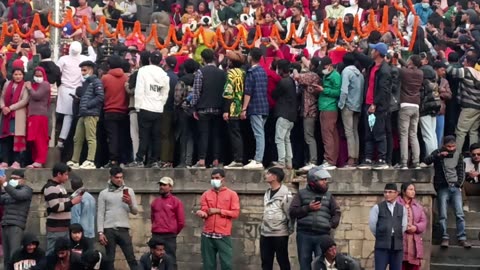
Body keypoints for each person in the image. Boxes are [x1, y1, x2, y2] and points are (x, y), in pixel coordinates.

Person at [424, 136, 471, 248]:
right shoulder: (438, 152)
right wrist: (438, 156)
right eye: (449, 146)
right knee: (443, 215)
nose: (451, 149)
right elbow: (426, 160)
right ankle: (444, 237)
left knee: (460, 214)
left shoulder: (458, 155)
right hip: (442, 187)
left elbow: (461, 171)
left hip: (455, 187)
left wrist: (458, 184)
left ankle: (462, 238)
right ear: (444, 145)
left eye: (453, 146)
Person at [289, 167, 341, 270]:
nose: (325, 182)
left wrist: (330, 225)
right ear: (313, 181)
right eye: (322, 180)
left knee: (321, 266)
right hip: (304, 235)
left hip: (322, 236)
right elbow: (292, 212)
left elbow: (337, 212)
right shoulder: (301, 194)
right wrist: (308, 208)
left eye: (325, 179)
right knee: (304, 265)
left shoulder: (329, 196)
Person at [128, 51, 170, 168]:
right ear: (161, 61)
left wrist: (137, 106)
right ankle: (154, 160)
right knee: (156, 136)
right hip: (158, 108)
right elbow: (164, 93)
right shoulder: (163, 74)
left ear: (150, 60)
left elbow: (139, 89)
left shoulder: (143, 71)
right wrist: (160, 104)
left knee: (144, 136)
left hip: (145, 107)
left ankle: (140, 159)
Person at [195, 168, 240, 270]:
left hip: (223, 234)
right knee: (208, 265)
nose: (214, 180)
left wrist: (218, 211)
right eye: (212, 178)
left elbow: (235, 213)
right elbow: (205, 210)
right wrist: (202, 213)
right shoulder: (206, 194)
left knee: (226, 264)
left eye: (217, 178)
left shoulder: (232, 194)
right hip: (207, 234)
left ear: (223, 179)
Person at [356, 43, 392, 170]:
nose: (372, 51)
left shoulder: (385, 70)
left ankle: (382, 159)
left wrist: (375, 104)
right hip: (368, 104)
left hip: (378, 107)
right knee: (368, 133)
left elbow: (384, 90)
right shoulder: (372, 66)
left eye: (374, 49)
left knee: (379, 132)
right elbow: (363, 59)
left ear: (378, 53)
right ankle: (368, 158)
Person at [55, 40, 97, 149]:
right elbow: (94, 56)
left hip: (64, 89)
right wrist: (89, 44)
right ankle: (61, 140)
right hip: (76, 90)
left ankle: (57, 139)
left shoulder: (63, 59)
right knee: (68, 116)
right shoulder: (84, 59)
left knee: (60, 115)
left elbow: (56, 71)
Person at [190, 49, 226, 168]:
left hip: (203, 108)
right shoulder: (222, 73)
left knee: (203, 135)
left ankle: (202, 160)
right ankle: (216, 159)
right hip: (218, 107)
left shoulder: (200, 72)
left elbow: (196, 92)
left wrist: (194, 107)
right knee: (216, 135)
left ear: (203, 59)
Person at [97, 166, 139, 269]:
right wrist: (100, 232)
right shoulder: (103, 193)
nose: (119, 179)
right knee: (109, 260)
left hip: (123, 229)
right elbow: (100, 213)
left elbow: (135, 211)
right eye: (117, 177)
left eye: (121, 177)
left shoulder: (129, 191)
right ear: (111, 177)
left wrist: (129, 203)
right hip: (109, 229)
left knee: (131, 258)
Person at [67, 60, 104, 169]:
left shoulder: (96, 82)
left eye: (85, 70)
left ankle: (90, 160)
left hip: (91, 114)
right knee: (77, 138)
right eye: (82, 70)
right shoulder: (86, 83)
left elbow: (100, 97)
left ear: (91, 70)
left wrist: (87, 104)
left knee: (90, 137)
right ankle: (75, 160)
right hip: (83, 113)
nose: (83, 73)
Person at [42, 163, 82, 255]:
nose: (67, 177)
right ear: (59, 174)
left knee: (65, 253)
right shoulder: (51, 187)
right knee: (52, 253)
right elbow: (55, 207)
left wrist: (72, 199)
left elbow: (63, 203)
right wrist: (72, 202)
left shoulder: (61, 187)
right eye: (66, 174)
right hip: (55, 228)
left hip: (64, 227)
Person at [260, 167, 293, 270]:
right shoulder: (267, 192)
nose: (266, 175)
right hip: (265, 232)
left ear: (274, 177)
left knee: (282, 260)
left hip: (279, 233)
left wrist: (287, 229)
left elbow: (289, 214)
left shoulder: (286, 195)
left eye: (268, 174)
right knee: (266, 261)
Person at [241, 48, 269, 170]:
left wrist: (244, 109)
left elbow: (248, 92)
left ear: (250, 57)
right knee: (260, 133)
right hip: (264, 105)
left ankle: (258, 160)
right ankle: (258, 157)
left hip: (255, 106)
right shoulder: (263, 71)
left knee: (259, 134)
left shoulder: (251, 72)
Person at [369, 183, 407, 270]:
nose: (387, 194)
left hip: (397, 245)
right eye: (385, 192)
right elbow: (372, 226)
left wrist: (395, 235)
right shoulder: (377, 208)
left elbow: (404, 226)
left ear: (396, 193)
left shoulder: (402, 209)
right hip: (382, 245)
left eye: (390, 192)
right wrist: (382, 235)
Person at [0, 170, 33, 269]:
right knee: (6, 257)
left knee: (14, 255)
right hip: (5, 224)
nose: (12, 180)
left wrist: (5, 184)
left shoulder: (27, 190)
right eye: (11, 178)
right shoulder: (8, 190)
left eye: (15, 178)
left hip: (16, 226)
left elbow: (18, 195)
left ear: (22, 180)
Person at [151, 177, 185, 269]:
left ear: (171, 187)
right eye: (160, 184)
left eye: (164, 185)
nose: (161, 187)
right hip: (156, 234)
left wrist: (173, 231)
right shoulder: (155, 202)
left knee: (170, 260)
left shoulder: (176, 202)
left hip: (169, 236)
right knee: (155, 259)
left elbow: (181, 222)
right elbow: (153, 218)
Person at [292, 57, 320, 171]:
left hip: (309, 110)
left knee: (309, 137)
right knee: (308, 137)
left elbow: (297, 77)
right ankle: (310, 160)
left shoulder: (312, 75)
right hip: (310, 110)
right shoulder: (315, 75)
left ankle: (313, 160)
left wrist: (294, 69)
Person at [102, 55, 129, 168]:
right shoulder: (126, 78)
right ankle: (123, 160)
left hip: (109, 110)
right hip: (123, 110)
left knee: (112, 137)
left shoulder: (105, 78)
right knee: (122, 136)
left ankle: (113, 160)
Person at [338, 53, 364, 168]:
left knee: (348, 132)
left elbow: (344, 90)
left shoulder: (346, 72)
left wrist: (340, 104)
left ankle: (351, 159)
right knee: (355, 132)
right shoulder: (360, 74)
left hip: (348, 105)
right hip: (358, 105)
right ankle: (356, 157)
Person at [397, 55, 423, 169]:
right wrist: (401, 59)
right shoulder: (420, 73)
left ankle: (404, 162)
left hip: (405, 104)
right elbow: (406, 67)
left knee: (404, 135)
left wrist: (397, 58)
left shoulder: (404, 72)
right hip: (416, 105)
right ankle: (416, 161)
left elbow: (402, 69)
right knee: (413, 134)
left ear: (411, 62)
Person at [314, 56, 341, 170]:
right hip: (325, 107)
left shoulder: (335, 76)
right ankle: (331, 159)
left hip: (329, 107)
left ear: (330, 65)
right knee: (332, 135)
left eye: (324, 67)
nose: (323, 69)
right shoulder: (326, 75)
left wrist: (323, 90)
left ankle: (329, 160)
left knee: (327, 135)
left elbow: (338, 92)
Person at [0, 68, 29, 169]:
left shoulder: (25, 86)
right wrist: (3, 107)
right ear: (12, 75)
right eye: (16, 74)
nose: (18, 76)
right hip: (6, 115)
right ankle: (5, 161)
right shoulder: (7, 84)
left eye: (20, 74)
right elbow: (2, 97)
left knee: (17, 139)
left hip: (18, 115)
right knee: (5, 138)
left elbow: (25, 100)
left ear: (23, 75)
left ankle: (17, 161)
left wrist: (10, 108)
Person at [223, 50, 246, 169]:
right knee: (238, 133)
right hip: (241, 105)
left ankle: (237, 159)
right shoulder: (243, 72)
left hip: (232, 106)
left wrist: (226, 110)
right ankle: (239, 158)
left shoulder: (231, 73)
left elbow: (228, 92)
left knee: (234, 134)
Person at [272, 59, 297, 169]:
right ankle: (289, 162)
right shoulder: (291, 81)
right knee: (287, 139)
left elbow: (274, 94)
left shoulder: (283, 82)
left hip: (284, 114)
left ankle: (281, 162)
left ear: (281, 70)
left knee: (279, 139)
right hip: (292, 115)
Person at [397, 182, 427, 270]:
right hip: (400, 241)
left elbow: (423, 222)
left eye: (414, 190)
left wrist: (416, 227)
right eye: (410, 189)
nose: (413, 192)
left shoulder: (417, 206)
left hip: (414, 243)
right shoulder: (395, 204)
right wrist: (404, 226)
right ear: (403, 191)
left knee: (413, 266)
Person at [25, 66, 50, 168]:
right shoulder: (34, 85)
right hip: (32, 115)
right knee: (33, 139)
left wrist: (30, 88)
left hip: (40, 115)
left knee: (40, 138)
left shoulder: (45, 84)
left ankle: (40, 160)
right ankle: (36, 159)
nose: (38, 77)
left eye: (40, 75)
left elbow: (37, 96)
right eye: (36, 75)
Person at [70, 176, 96, 249]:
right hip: (90, 231)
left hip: (80, 232)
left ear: (72, 186)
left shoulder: (77, 197)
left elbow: (75, 216)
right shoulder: (91, 197)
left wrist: (73, 231)